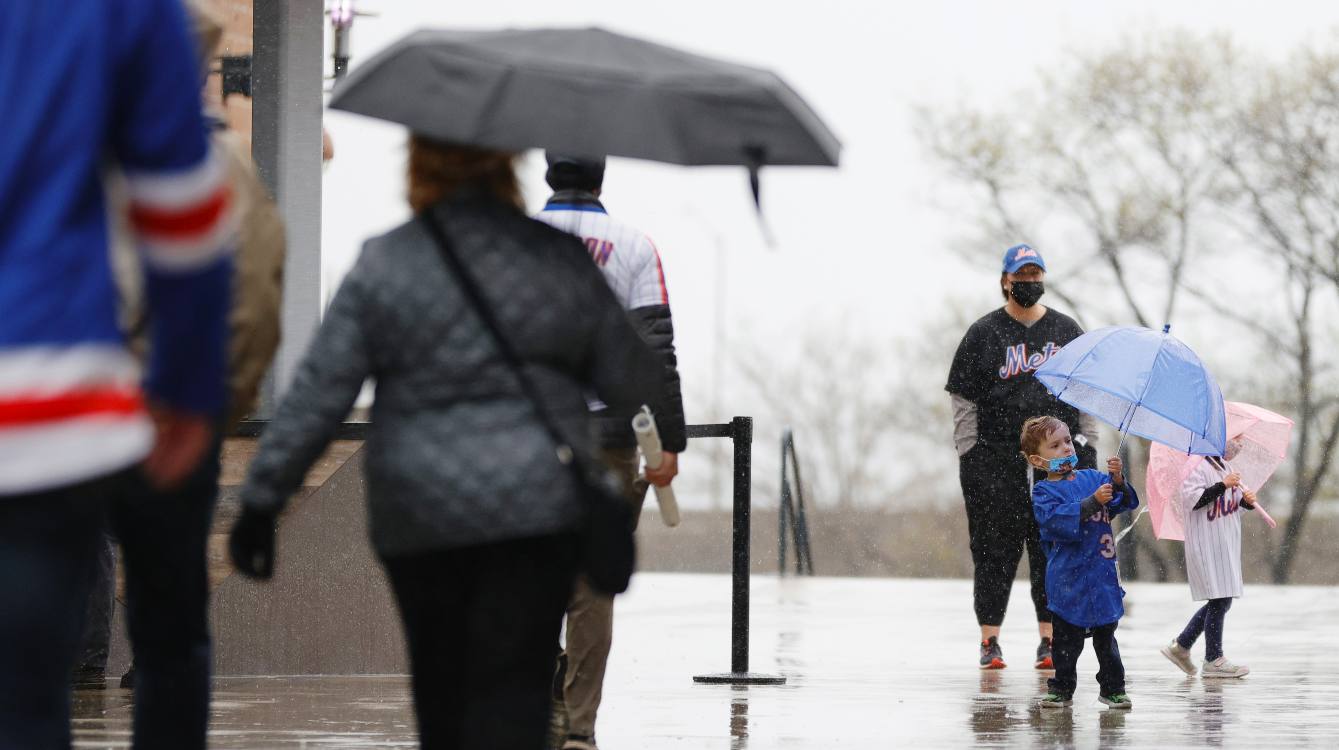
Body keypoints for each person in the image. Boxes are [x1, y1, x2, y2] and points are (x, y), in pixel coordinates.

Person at [228, 136, 663, 750]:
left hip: (421, 515)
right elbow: (633, 375)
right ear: (508, 173)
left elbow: (319, 394)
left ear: (418, 170)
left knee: (443, 692)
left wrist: (261, 502)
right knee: (517, 689)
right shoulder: (555, 258)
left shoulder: (387, 262)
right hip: (533, 507)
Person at [0, 0, 235, 746]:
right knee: (26, 700)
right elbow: (184, 216)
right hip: (46, 401)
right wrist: (190, 390)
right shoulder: (124, 13)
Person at [75, 5, 286, 715]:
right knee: (173, 613)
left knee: (80, 550)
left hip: (87, 402)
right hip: (181, 406)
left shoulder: (75, 152)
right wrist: (219, 403)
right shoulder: (222, 164)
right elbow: (256, 302)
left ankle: (82, 663)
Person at [535, 154, 687, 750]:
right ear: (600, 179)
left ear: (549, 175)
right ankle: (578, 728)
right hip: (612, 438)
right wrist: (668, 440)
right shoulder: (634, 246)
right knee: (592, 586)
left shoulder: (509, 238)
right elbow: (656, 346)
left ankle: (543, 703)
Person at [945, 244, 1099, 670]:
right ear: (1005, 281)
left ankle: (1048, 640)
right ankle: (989, 640)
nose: (1029, 283)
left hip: (1059, 462)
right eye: (1021, 275)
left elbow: (1086, 390)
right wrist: (970, 453)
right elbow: (962, 397)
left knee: (1052, 546)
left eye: (1036, 275)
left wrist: (1087, 443)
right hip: (995, 460)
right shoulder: (984, 333)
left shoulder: (1066, 330)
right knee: (994, 549)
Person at [1023, 416, 1138, 710]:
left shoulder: (1094, 478)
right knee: (1066, 642)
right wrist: (1091, 503)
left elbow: (1124, 503)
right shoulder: (1043, 492)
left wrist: (1118, 481)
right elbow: (1054, 522)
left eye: (1067, 441)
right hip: (1068, 580)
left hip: (1101, 575)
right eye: (1055, 445)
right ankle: (1061, 687)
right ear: (1037, 459)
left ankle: (1113, 688)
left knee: (1106, 638)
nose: (1065, 448)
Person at [1160, 437, 1256, 679]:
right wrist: (1223, 485)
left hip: (1225, 542)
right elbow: (1194, 500)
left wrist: (1246, 502)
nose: (1239, 445)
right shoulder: (1194, 465)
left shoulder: (1225, 467)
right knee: (1219, 599)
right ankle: (1213, 657)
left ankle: (1182, 646)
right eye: (1235, 439)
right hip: (1206, 542)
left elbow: (1229, 506)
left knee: (1222, 600)